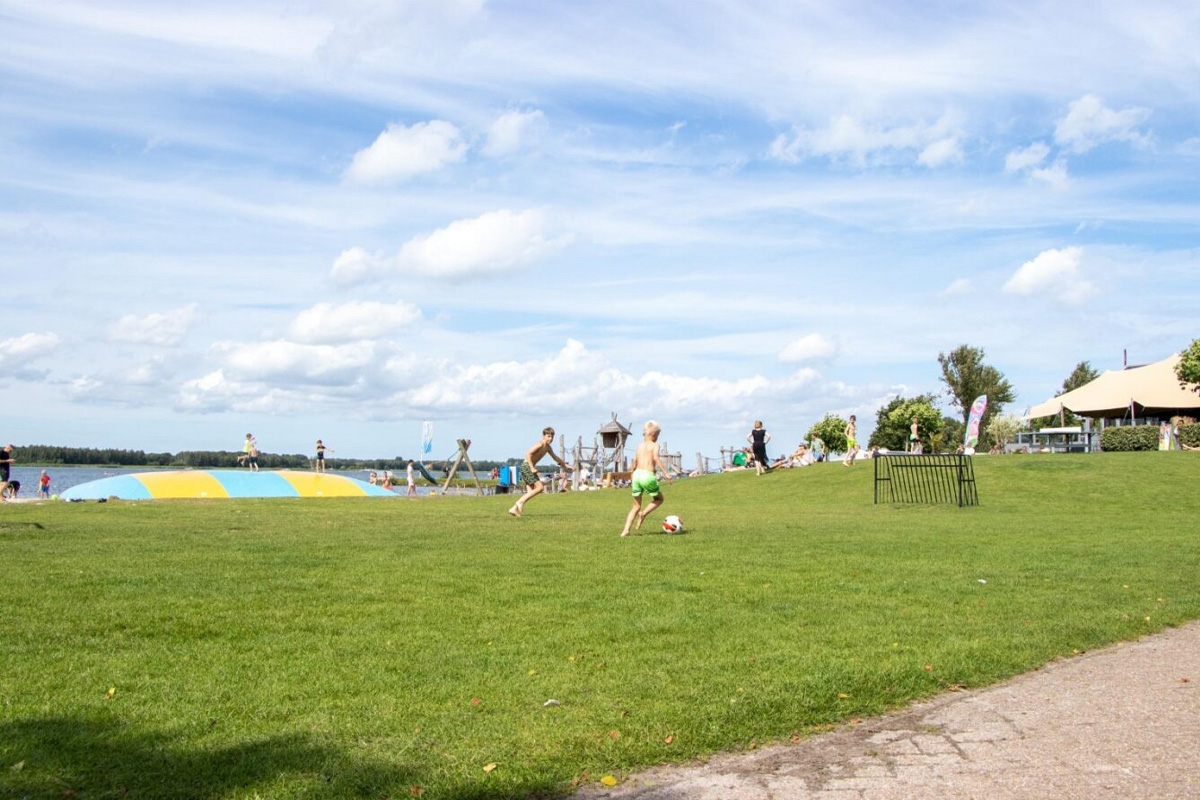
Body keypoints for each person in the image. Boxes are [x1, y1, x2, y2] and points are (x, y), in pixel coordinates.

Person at [621, 420, 674, 537]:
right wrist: (666, 473)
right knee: (659, 499)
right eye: (658, 435)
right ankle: (643, 514)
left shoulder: (639, 446)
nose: (658, 437)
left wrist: (631, 472)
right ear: (654, 434)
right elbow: (655, 458)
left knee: (635, 506)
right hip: (647, 476)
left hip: (636, 475)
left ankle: (625, 530)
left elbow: (635, 462)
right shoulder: (655, 445)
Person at [507, 426, 574, 517]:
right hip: (527, 466)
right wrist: (532, 467)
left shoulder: (548, 448)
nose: (550, 439)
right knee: (540, 487)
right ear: (543, 436)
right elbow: (528, 454)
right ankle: (519, 502)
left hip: (528, 467)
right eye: (548, 436)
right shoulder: (540, 444)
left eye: (552, 437)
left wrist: (564, 465)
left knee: (531, 491)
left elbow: (555, 457)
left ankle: (514, 508)